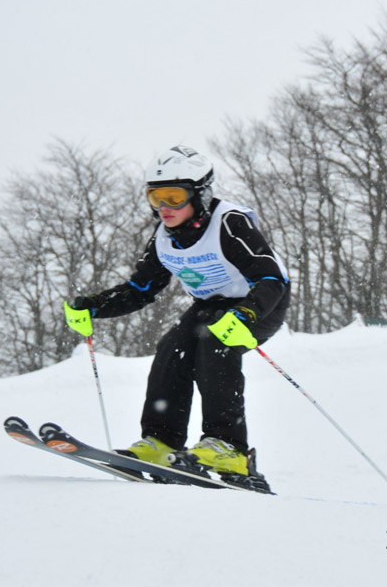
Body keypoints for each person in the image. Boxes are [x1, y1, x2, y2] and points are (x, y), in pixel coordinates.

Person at [63, 145, 290, 485]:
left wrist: (246, 313)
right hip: (210, 306)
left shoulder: (229, 223)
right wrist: (94, 305)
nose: (164, 208)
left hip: (261, 303)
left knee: (214, 342)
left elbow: (271, 278)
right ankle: (162, 442)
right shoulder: (163, 239)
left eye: (174, 196)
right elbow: (141, 289)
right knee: (173, 348)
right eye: (155, 197)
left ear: (201, 194)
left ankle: (228, 447)